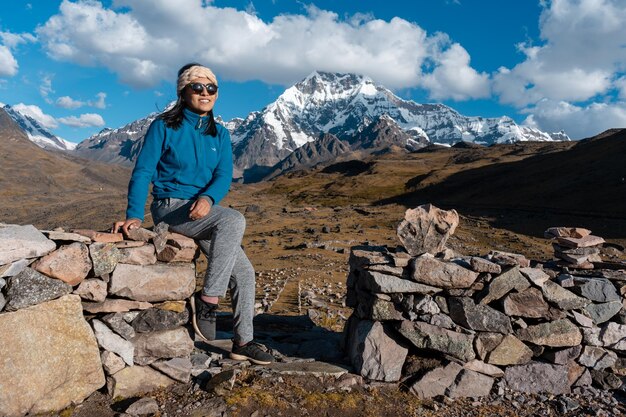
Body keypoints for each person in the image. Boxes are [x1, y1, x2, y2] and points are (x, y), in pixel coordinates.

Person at [113, 63, 274, 365]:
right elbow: (144, 170)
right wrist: (134, 214)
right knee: (234, 219)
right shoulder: (164, 126)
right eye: (197, 87)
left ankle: (243, 342)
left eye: (211, 88)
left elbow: (224, 175)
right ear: (183, 91)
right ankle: (208, 302)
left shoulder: (221, 135)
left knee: (245, 273)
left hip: (203, 211)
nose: (205, 93)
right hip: (170, 208)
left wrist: (209, 198)